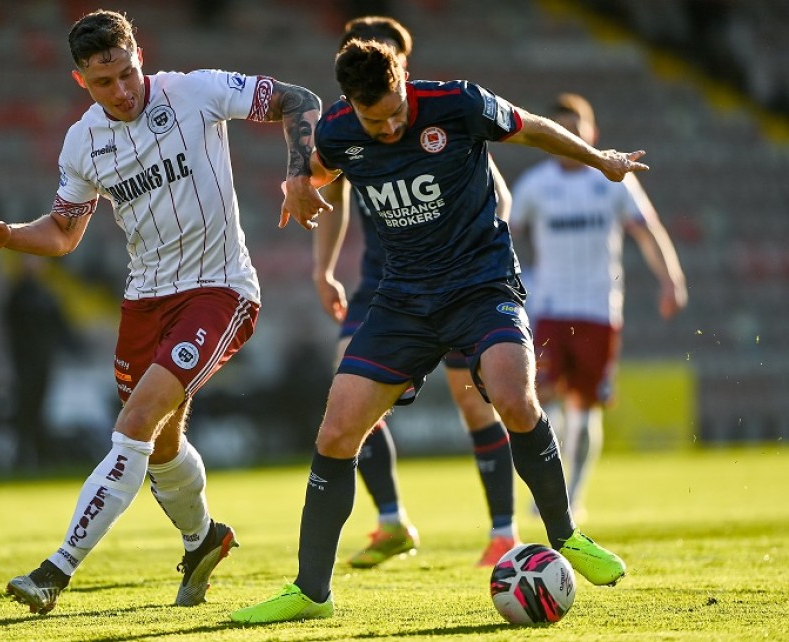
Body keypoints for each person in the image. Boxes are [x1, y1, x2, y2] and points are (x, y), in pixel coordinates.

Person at [232, 39, 642, 624]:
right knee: (337, 430)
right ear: (352, 104)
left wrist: (601, 160)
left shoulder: (457, 103)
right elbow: (318, 167)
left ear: (405, 79)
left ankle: (566, 536)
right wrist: (297, 180)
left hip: (481, 286)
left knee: (513, 397)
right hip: (403, 301)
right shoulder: (340, 131)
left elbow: (532, 127)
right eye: (376, 120)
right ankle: (311, 592)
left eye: (397, 110)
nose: (391, 127)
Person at [0, 9, 327, 614]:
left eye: (127, 73)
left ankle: (56, 570)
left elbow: (300, 99)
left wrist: (298, 175)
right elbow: (63, 233)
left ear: (140, 57)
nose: (122, 90)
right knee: (159, 445)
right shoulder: (83, 141)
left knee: (134, 423)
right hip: (144, 301)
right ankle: (203, 539)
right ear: (81, 81)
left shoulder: (196, 92)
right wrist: (12, 236)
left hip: (219, 290)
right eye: (104, 82)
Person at [313, 16, 519, 570]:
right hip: (383, 284)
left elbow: (499, 195)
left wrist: (473, 256)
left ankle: (504, 531)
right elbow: (329, 195)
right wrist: (322, 269)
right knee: (347, 392)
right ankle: (391, 520)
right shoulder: (350, 133)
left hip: (457, 282)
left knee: (473, 401)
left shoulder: (442, 124)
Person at [509, 93, 687, 518]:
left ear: (592, 133)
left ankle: (575, 494)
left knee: (585, 407)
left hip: (598, 310)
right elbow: (506, 232)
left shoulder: (612, 180)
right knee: (543, 400)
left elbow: (647, 230)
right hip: (549, 309)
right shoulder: (535, 185)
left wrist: (671, 279)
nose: (569, 136)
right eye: (561, 129)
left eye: (576, 128)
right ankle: (549, 491)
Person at [2, 255, 77, 470]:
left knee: (38, 408)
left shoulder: (45, 294)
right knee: (27, 408)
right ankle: (26, 456)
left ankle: (38, 456)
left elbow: (61, 326)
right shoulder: (19, 294)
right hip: (25, 361)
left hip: (42, 360)